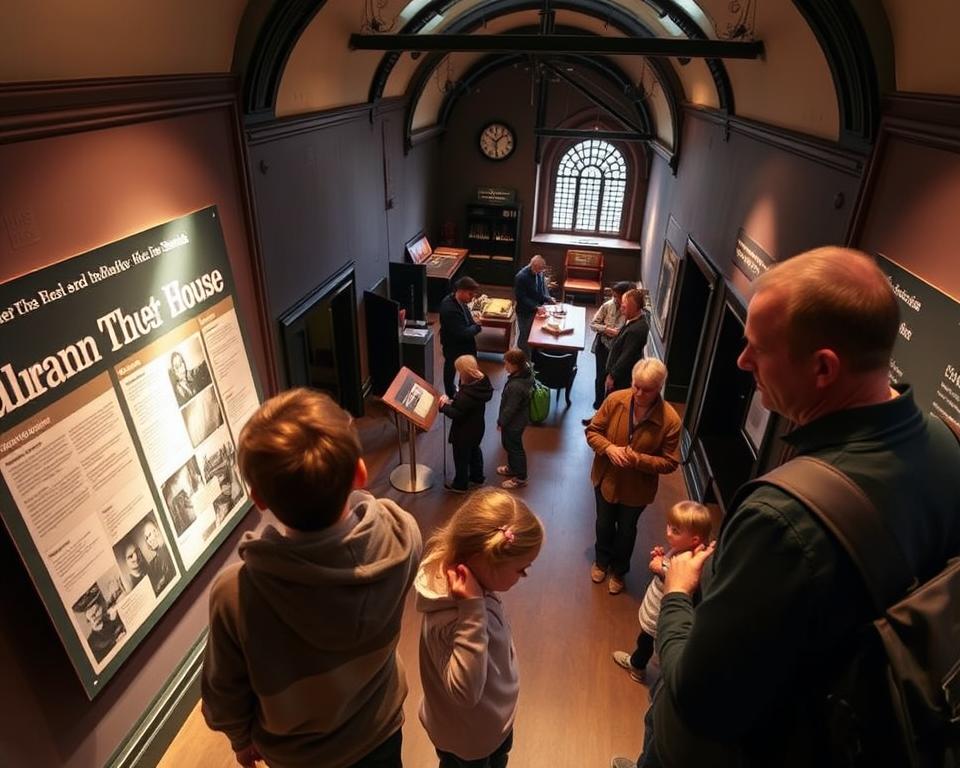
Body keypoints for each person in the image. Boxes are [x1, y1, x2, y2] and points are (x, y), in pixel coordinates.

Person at [615, 248, 960, 768]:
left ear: (823, 367)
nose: (742, 361)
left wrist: (680, 594)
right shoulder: (946, 444)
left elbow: (700, 699)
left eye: (758, 348)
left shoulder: (783, 519)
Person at [201, 388, 422, 768]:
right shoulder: (403, 537)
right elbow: (380, 511)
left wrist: (240, 738)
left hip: (300, 758)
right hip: (380, 729)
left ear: (259, 499)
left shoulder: (235, 594)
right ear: (360, 473)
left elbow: (223, 695)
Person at [415, 488, 544, 768]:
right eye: (521, 569)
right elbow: (465, 692)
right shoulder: (453, 617)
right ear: (485, 561)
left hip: (491, 720)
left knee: (499, 758)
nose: (523, 576)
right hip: (468, 740)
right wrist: (473, 609)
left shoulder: (475, 579)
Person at [585, 358, 681, 595]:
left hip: (637, 489)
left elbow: (670, 462)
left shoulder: (670, 420)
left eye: (646, 390)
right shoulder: (615, 400)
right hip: (606, 477)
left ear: (659, 388)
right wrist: (609, 448)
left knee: (627, 531)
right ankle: (601, 562)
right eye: (635, 385)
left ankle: (619, 571)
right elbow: (593, 431)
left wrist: (637, 459)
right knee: (604, 523)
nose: (638, 393)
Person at [611, 501, 711, 683]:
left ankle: (638, 667)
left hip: (661, 615)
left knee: (648, 642)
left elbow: (679, 581)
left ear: (694, 540)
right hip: (657, 608)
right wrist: (662, 558)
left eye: (675, 531)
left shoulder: (689, 561)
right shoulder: (681, 550)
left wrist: (660, 568)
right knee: (648, 641)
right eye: (669, 526)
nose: (668, 532)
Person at [439, 355, 493, 493]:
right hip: (477, 427)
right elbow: (463, 407)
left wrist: (443, 406)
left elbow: (456, 413)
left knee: (461, 459)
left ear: (464, 372)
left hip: (463, 432)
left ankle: (460, 484)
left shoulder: (466, 395)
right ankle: (477, 477)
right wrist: (453, 402)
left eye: (459, 371)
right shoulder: (482, 383)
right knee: (475, 451)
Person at [582, 281, 633, 425]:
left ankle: (609, 413)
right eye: (614, 296)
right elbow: (593, 324)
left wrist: (619, 333)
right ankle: (598, 410)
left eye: (618, 296)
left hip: (619, 351)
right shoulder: (607, 305)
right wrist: (606, 329)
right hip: (603, 347)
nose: (615, 299)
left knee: (613, 382)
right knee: (600, 378)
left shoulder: (630, 310)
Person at [496, 348, 534, 489]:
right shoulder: (525, 374)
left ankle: (520, 478)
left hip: (513, 423)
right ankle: (512, 468)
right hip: (519, 419)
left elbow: (510, 408)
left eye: (507, 363)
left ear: (514, 365)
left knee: (514, 448)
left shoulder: (516, 387)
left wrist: (501, 422)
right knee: (510, 446)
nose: (505, 366)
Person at [439, 276, 482, 397]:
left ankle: (463, 390)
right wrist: (477, 326)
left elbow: (468, 318)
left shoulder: (459, 301)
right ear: (461, 291)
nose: (472, 297)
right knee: (451, 367)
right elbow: (463, 333)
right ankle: (451, 393)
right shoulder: (449, 309)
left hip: (463, 344)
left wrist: (473, 323)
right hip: (454, 345)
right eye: (470, 294)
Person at [603, 288, 649, 396]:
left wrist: (612, 376)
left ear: (634, 307)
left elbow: (626, 357)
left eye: (624, 306)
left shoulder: (635, 331)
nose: (621, 308)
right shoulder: (634, 321)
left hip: (620, 382)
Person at [513, 255, 555, 354]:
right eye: (538, 270)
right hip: (524, 312)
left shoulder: (539, 273)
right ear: (532, 266)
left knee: (536, 333)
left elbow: (539, 291)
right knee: (525, 335)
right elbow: (521, 298)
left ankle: (535, 355)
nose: (540, 272)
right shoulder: (521, 277)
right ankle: (523, 357)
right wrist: (536, 307)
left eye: (541, 270)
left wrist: (547, 298)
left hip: (537, 309)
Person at [74, 586, 126, 663]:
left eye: (97, 609)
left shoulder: (116, 606)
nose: (96, 616)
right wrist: (99, 632)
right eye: (92, 616)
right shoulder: (93, 643)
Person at [143, 519, 176, 595]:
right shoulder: (153, 564)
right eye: (146, 538)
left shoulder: (169, 549)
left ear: (157, 531)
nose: (149, 540)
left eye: (150, 535)